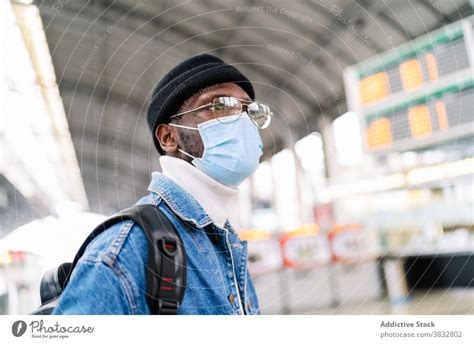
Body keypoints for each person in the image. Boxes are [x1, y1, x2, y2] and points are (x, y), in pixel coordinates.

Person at [53, 54, 273, 314]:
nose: (242, 121)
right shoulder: (128, 250)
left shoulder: (225, 238)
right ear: (169, 137)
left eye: (250, 111)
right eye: (219, 105)